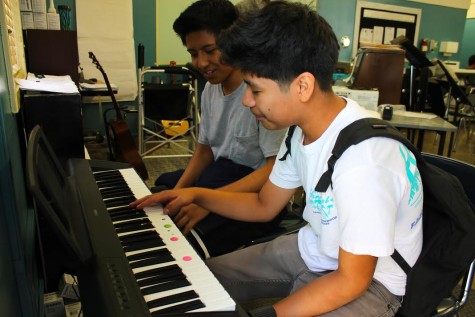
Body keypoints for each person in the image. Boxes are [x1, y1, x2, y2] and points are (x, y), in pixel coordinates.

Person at [132, 1, 423, 316]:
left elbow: (350, 280)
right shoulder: (300, 132)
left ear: (302, 86)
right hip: (314, 248)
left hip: (371, 283)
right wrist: (196, 194)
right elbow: (263, 205)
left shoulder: (365, 163)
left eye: (255, 91)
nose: (246, 101)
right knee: (195, 282)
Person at [154, 0, 287, 257]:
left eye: (210, 50)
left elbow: (275, 169)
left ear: (233, 43)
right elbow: (204, 151)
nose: (202, 63)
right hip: (220, 175)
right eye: (193, 53)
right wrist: (180, 192)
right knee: (164, 189)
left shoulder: (261, 92)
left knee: (187, 233)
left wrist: (206, 202)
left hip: (257, 191)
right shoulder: (210, 90)